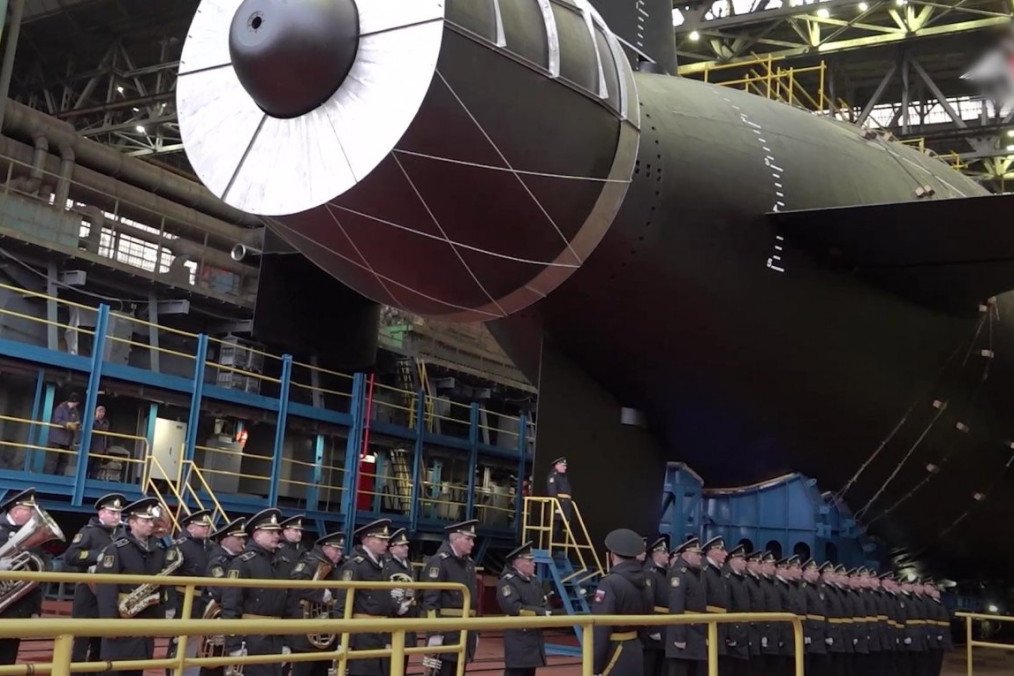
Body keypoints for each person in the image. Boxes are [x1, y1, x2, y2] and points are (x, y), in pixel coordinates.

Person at [95, 496, 179, 676]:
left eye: (151, 520)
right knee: (113, 670)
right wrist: (108, 624)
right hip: (122, 620)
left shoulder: (158, 550)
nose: (151, 524)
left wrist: (164, 611)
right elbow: (106, 589)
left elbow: (164, 584)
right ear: (132, 522)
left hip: (145, 621)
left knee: (137, 669)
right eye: (145, 520)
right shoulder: (116, 548)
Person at [221, 508, 288, 676]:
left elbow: (289, 605)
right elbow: (231, 605)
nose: (276, 535)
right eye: (271, 532)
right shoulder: (243, 563)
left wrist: (288, 641)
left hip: (276, 638)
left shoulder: (282, 562)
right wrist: (234, 645)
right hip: (251, 639)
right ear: (257, 534)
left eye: (277, 532)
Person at [65, 493, 125, 662]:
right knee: (81, 643)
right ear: (101, 513)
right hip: (88, 594)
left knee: (102, 643)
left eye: (119, 513)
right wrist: (96, 555)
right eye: (112, 512)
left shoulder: (122, 534)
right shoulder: (89, 532)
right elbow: (70, 556)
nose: (116, 517)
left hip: (110, 594)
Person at [590, 528, 652, 676]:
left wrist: (594, 666)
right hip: (635, 648)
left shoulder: (610, 583)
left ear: (612, 555)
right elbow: (648, 617)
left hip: (614, 652)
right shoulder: (645, 581)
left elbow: (601, 628)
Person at [337, 519, 395, 676]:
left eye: (387, 540)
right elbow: (343, 604)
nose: (386, 543)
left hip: (381, 634)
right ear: (367, 540)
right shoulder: (355, 565)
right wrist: (344, 640)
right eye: (381, 539)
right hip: (362, 636)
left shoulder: (383, 565)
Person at [422, 519, 479, 676]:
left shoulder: (469, 564)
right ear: (455, 538)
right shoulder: (439, 562)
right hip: (446, 634)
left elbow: (474, 601)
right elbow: (430, 600)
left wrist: (476, 631)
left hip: (465, 631)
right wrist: (434, 633)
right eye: (468, 539)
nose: (472, 543)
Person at [287, 530, 345, 676]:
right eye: (336, 549)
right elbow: (297, 581)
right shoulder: (310, 562)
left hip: (325, 634)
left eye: (341, 550)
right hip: (306, 636)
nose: (339, 553)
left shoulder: (336, 567)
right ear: (325, 547)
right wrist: (320, 594)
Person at [0, 489, 47, 664]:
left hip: (16, 609)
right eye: (30, 510)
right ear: (16, 509)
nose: (35, 514)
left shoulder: (31, 537)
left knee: (8, 659)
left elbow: (35, 578)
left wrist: (35, 609)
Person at [168, 510, 215, 675]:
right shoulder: (180, 546)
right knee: (179, 644)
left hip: (204, 602)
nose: (206, 529)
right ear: (190, 527)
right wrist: (170, 605)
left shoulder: (210, 546)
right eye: (202, 526)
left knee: (198, 645)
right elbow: (169, 577)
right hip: (183, 602)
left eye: (207, 526)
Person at [201, 517, 247, 676]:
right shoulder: (218, 561)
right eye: (239, 538)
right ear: (226, 540)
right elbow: (220, 590)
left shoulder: (237, 559)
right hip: (218, 617)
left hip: (231, 614)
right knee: (213, 665)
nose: (242, 541)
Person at [498, 542, 549, 676]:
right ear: (518, 563)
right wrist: (541, 613)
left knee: (529, 671)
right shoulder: (508, 581)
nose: (534, 563)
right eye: (530, 560)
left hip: (533, 636)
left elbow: (543, 601)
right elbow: (513, 607)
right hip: (518, 637)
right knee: (516, 671)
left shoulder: (534, 581)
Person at [666, 537, 706, 676]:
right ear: (687, 554)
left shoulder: (692, 574)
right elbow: (676, 605)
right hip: (684, 636)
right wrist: (679, 637)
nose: (700, 557)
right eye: (697, 554)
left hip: (694, 635)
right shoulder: (679, 573)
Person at [382, 528, 418, 670]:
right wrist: (396, 607)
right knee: (390, 666)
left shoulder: (409, 565)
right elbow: (384, 591)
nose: (406, 548)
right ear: (392, 548)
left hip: (407, 621)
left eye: (406, 545)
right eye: (402, 545)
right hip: (392, 621)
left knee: (403, 664)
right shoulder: (387, 565)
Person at [642, 537, 669, 676]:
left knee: (660, 668)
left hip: (664, 628)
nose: (667, 555)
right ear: (655, 554)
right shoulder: (650, 573)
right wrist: (652, 629)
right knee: (650, 667)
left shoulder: (663, 573)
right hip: (654, 631)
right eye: (664, 552)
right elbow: (649, 601)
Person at [722, 545, 750, 676]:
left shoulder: (743, 579)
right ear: (733, 560)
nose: (745, 562)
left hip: (743, 631)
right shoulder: (728, 578)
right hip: (734, 630)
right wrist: (729, 633)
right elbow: (728, 606)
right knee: (729, 667)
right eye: (742, 559)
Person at [800, 559, 829, 676]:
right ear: (806, 571)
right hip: (811, 632)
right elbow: (803, 611)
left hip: (820, 633)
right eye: (814, 571)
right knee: (809, 666)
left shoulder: (818, 588)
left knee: (819, 667)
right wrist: (805, 634)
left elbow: (824, 613)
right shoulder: (803, 588)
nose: (817, 574)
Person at [47, 392, 81, 475]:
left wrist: (76, 425)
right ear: (76, 402)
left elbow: (77, 422)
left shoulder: (75, 411)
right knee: (53, 460)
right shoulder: (60, 408)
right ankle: (49, 478)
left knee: (64, 461)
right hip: (55, 440)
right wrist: (67, 424)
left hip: (67, 441)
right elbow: (57, 420)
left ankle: (59, 478)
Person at [545, 457, 572, 543]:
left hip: (564, 508)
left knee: (560, 531)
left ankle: (556, 549)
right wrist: (556, 508)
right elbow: (552, 493)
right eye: (563, 465)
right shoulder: (553, 476)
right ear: (557, 465)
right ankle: (549, 549)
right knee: (554, 530)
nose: (565, 467)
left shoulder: (563, 477)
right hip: (557, 508)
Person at [87, 406, 111, 478]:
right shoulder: (91, 421)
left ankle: (93, 481)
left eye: (103, 412)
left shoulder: (106, 423)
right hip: (91, 448)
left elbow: (108, 436)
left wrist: (107, 448)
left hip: (100, 449)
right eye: (99, 411)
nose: (101, 413)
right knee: (87, 466)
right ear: (96, 412)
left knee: (96, 468)